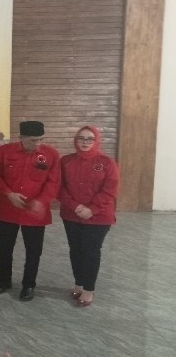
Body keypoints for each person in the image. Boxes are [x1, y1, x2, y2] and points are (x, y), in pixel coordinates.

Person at [0, 121, 60, 301]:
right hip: (9, 208)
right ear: (21, 138)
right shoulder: (4, 152)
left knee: (33, 250)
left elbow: (53, 182)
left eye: (41, 139)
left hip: (35, 212)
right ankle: (4, 281)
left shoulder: (51, 154)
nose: (38, 144)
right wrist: (8, 193)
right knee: (4, 248)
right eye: (33, 140)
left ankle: (29, 284)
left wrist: (41, 201)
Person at [58, 126, 119, 307]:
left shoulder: (107, 162)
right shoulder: (66, 161)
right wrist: (75, 206)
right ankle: (79, 283)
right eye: (81, 138)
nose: (85, 142)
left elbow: (110, 190)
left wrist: (92, 209)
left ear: (96, 140)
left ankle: (89, 289)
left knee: (91, 251)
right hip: (72, 214)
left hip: (99, 216)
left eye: (90, 138)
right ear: (76, 140)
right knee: (75, 249)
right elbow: (59, 187)